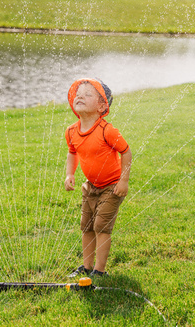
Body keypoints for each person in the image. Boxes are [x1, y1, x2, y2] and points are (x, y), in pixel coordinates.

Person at [64, 78, 132, 278]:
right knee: (86, 226)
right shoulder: (71, 131)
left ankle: (100, 271)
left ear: (102, 106)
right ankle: (86, 267)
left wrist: (124, 181)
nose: (80, 96)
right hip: (90, 187)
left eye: (88, 94)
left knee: (101, 226)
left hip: (111, 187)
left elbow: (126, 152)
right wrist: (70, 174)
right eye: (78, 93)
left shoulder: (106, 130)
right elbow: (72, 152)